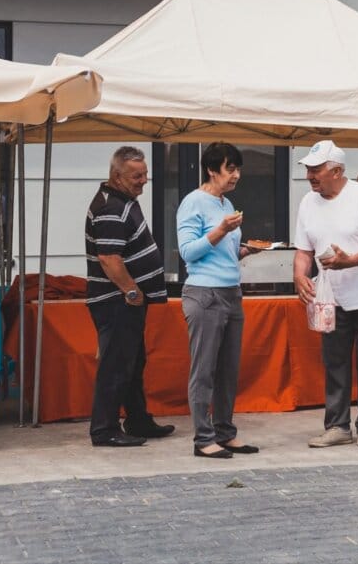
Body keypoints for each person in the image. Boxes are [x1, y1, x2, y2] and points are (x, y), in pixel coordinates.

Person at [293, 140, 358, 448]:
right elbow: (303, 250)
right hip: (331, 297)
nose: (310, 175)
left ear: (336, 170)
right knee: (334, 361)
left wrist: (349, 260)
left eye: (316, 169)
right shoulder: (307, 203)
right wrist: (299, 275)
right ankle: (337, 425)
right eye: (308, 170)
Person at [85, 146, 173, 447]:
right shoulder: (111, 207)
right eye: (137, 176)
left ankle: (137, 420)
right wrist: (132, 291)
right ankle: (104, 429)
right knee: (116, 364)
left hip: (123, 300)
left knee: (132, 362)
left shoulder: (123, 200)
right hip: (116, 301)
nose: (143, 180)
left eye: (145, 174)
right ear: (117, 175)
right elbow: (109, 257)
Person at [176, 142, 260, 459]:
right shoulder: (193, 203)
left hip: (230, 290)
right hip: (204, 293)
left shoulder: (226, 203)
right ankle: (203, 438)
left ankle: (225, 431)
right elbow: (188, 252)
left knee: (228, 369)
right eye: (230, 169)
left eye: (238, 168)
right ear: (212, 170)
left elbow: (223, 252)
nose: (236, 175)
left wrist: (245, 249)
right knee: (205, 370)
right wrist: (222, 230)